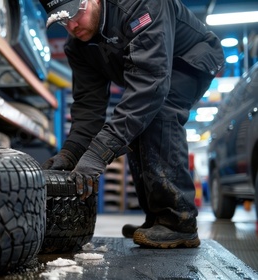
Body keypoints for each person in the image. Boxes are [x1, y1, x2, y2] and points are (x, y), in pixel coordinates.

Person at [39, 0, 224, 248]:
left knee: (159, 112)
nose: (71, 25)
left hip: (191, 56)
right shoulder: (79, 46)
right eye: (62, 20)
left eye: (76, 13)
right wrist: (71, 153)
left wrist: (97, 155)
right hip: (152, 72)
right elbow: (88, 108)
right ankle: (157, 218)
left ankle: (179, 223)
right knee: (136, 125)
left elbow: (150, 86)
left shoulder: (142, 5)